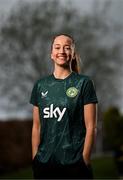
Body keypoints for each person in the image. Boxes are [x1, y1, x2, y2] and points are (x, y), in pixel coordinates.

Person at [30, 34, 98, 179]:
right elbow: (37, 126)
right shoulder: (40, 85)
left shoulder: (84, 83)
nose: (62, 51)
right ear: (51, 55)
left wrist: (84, 160)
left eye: (67, 48)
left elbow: (91, 127)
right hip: (44, 164)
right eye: (57, 47)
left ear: (72, 54)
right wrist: (35, 158)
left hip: (74, 166)